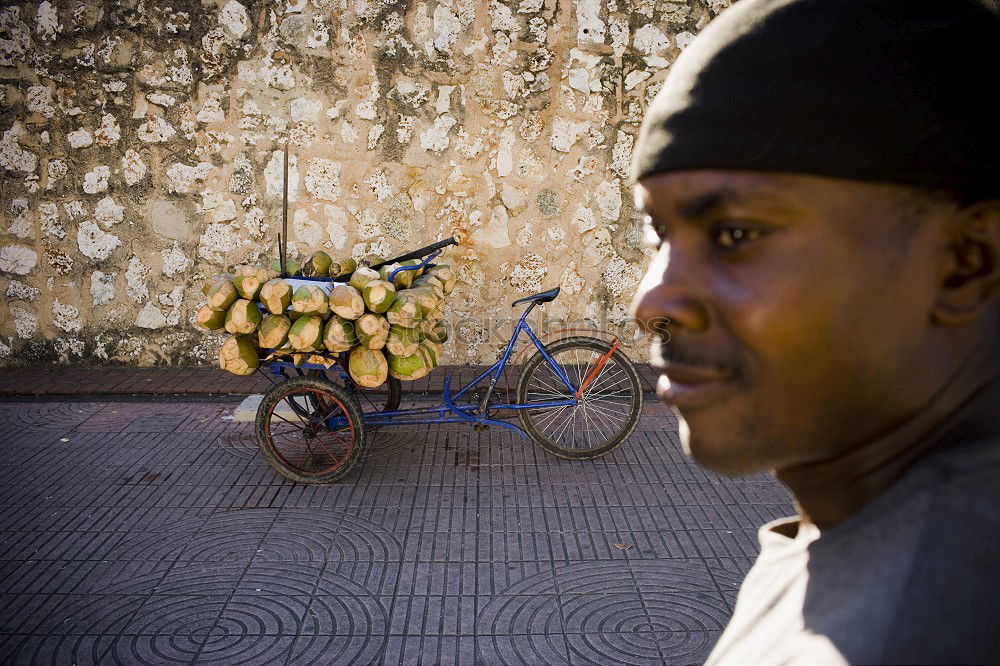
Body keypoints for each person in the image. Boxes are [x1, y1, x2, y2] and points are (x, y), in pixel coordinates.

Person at [629, 0, 1000, 663]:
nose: (651, 298)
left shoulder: (915, 630)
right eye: (659, 232)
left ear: (966, 264)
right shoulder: (858, 534)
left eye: (735, 235)